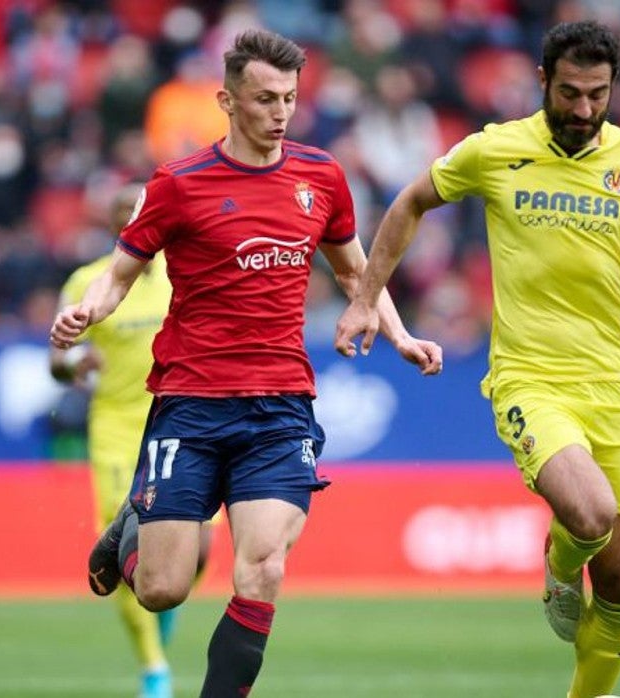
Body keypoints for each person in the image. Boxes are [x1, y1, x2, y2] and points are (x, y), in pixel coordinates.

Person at [334, 21, 620, 698]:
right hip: (530, 378)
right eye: (571, 92)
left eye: (598, 95)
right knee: (590, 514)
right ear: (543, 80)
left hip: (615, 387)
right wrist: (368, 298)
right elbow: (411, 202)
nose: (583, 110)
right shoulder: (496, 150)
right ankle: (557, 566)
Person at [49, 30, 442, 698]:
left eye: (289, 98)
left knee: (262, 569)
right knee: (162, 591)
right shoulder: (178, 184)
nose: (281, 112)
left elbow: (356, 275)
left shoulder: (321, 177)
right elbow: (118, 276)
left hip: (280, 406)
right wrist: (88, 310)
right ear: (227, 100)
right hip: (191, 403)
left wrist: (398, 334)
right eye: (265, 99)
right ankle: (135, 519)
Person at [49, 185, 210, 698]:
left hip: (182, 422)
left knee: (199, 552)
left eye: (140, 213)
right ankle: (153, 667)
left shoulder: (184, 271)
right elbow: (57, 361)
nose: (133, 222)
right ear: (114, 225)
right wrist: (76, 361)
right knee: (121, 548)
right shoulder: (86, 281)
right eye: (124, 215)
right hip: (118, 430)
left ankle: (157, 622)